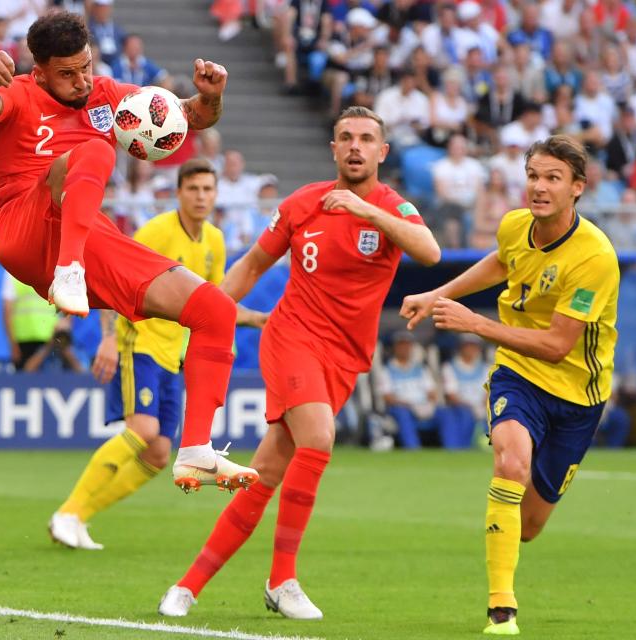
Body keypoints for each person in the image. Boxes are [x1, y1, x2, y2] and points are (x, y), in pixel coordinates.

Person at [157, 106, 440, 619]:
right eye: (346, 138)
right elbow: (252, 265)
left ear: (382, 151)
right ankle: (282, 580)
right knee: (319, 439)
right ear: (333, 148)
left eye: (366, 139)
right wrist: (208, 313)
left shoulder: (393, 208)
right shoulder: (302, 204)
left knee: (266, 471)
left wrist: (369, 212)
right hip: (291, 337)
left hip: (344, 357)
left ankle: (188, 584)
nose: (355, 147)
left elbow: (430, 252)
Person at [0, 11, 257, 492]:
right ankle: (68, 270)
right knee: (95, 151)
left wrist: (210, 97)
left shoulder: (106, 95)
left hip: (87, 233)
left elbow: (187, 117)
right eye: (67, 73)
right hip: (23, 228)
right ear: (40, 72)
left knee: (214, 310)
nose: (82, 81)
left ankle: (196, 450)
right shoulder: (19, 92)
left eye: (86, 67)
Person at [400, 135, 619, 635]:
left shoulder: (594, 258)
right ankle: (502, 608)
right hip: (518, 374)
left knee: (531, 526)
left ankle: (506, 551)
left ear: (577, 188)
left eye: (552, 179)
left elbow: (559, 345)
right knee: (510, 463)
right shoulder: (515, 225)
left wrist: (475, 323)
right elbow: (501, 261)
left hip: (578, 395)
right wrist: (438, 292)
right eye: (534, 176)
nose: (539, 188)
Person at [48, 159, 270, 550]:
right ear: (178, 193)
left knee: (158, 455)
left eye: (207, 190)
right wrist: (108, 339)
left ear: (217, 195)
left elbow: (215, 304)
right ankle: (67, 511)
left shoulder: (214, 242)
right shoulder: (156, 231)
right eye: (193, 189)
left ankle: (79, 518)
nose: (201, 197)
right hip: (140, 340)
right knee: (144, 430)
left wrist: (259, 319)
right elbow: (112, 274)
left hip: (173, 353)